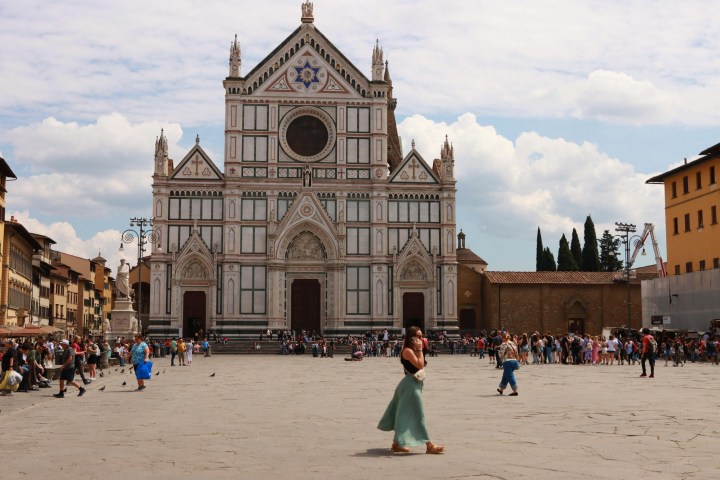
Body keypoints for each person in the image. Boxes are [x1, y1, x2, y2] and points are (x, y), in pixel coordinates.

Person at [377, 326, 445, 454]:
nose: (421, 338)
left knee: (403, 415)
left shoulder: (413, 350)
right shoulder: (407, 351)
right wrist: (419, 349)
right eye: (418, 336)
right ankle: (429, 445)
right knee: (419, 415)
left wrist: (421, 349)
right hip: (410, 386)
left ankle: (396, 443)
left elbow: (422, 363)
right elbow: (419, 364)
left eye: (421, 336)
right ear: (411, 338)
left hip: (414, 385)